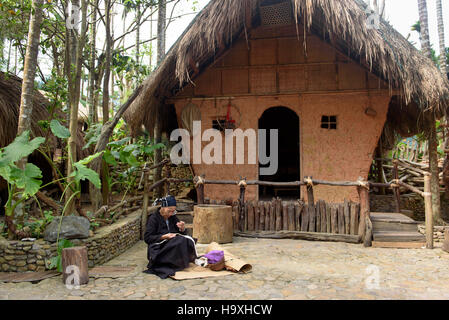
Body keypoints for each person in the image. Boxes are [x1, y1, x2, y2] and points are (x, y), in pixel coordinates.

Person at [143, 195, 197, 279]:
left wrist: (182, 228)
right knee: (179, 241)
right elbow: (147, 238)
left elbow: (180, 233)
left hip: (170, 243)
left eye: (173, 211)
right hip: (158, 247)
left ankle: (177, 262)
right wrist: (163, 236)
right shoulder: (153, 219)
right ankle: (171, 262)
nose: (171, 213)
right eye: (169, 211)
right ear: (163, 208)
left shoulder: (172, 217)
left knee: (188, 240)